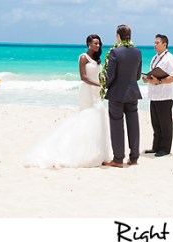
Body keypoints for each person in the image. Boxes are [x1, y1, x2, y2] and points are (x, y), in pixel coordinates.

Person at [23, 34, 112, 168]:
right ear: (88, 44)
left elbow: (99, 75)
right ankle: (81, 152)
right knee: (87, 117)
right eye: (95, 43)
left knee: (98, 117)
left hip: (97, 92)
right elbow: (83, 77)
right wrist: (97, 85)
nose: (97, 45)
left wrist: (103, 84)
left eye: (99, 43)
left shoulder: (97, 60)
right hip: (88, 90)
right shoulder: (83, 58)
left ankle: (98, 153)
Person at [102, 24, 142, 168]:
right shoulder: (138, 52)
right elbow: (137, 75)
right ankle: (134, 157)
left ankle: (118, 159)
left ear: (118, 36)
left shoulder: (115, 52)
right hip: (133, 93)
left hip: (117, 94)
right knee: (134, 125)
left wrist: (103, 85)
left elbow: (110, 75)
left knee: (117, 125)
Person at [142, 34, 173, 157]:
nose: (155, 45)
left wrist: (159, 81)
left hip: (165, 95)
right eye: (154, 42)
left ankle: (165, 149)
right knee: (156, 123)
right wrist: (147, 78)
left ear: (165, 44)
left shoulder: (170, 58)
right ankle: (156, 147)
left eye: (157, 43)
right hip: (154, 95)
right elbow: (154, 73)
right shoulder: (155, 58)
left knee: (165, 123)